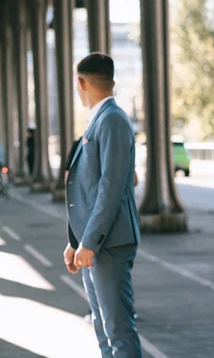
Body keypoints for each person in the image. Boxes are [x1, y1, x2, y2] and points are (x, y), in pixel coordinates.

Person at [64, 53, 142, 358]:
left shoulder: (111, 120)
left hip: (108, 244)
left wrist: (90, 242)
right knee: (103, 328)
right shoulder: (101, 119)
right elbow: (91, 188)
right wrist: (76, 242)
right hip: (95, 243)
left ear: (80, 82)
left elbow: (109, 190)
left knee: (118, 331)